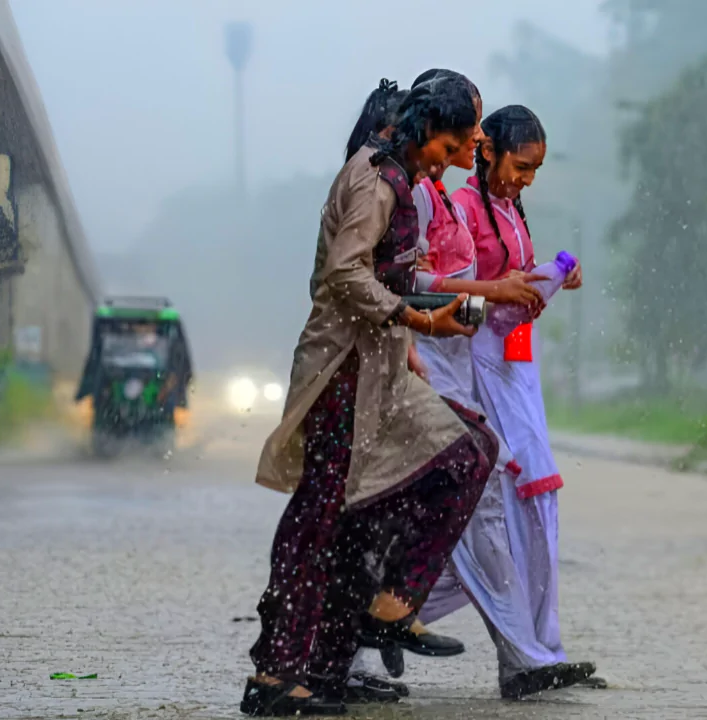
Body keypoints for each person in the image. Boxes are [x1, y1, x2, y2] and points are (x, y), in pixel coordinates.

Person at [242, 78, 497, 717]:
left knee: (465, 453)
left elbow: (387, 274)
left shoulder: (403, 177)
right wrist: (418, 322)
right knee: (321, 517)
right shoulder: (376, 179)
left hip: (380, 368)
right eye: (450, 142)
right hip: (340, 372)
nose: (453, 156)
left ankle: (378, 619)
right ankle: (276, 672)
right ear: (421, 128)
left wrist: (412, 330)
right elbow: (343, 274)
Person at [447, 104, 602, 699]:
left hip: (516, 370)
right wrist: (510, 290)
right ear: (485, 151)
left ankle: (541, 648)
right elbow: (449, 294)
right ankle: (529, 653)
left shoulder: (511, 210)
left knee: (532, 510)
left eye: (535, 170)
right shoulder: (459, 210)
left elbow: (510, 288)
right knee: (498, 515)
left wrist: (550, 277)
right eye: (520, 165)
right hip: (477, 372)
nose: (525, 179)